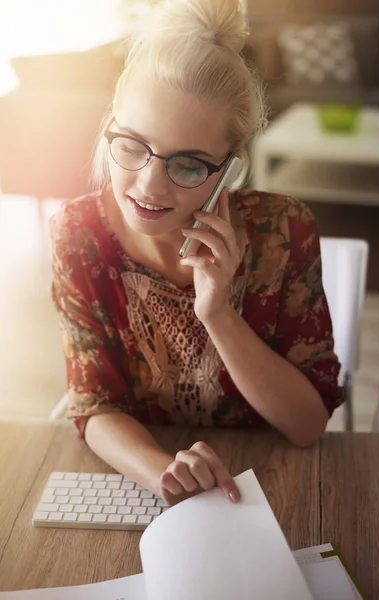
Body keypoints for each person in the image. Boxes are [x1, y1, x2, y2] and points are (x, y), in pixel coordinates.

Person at [50, 0, 343, 507]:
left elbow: (307, 426)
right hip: (150, 486)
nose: (148, 185)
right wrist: (164, 471)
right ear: (109, 130)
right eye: (133, 145)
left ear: (229, 170)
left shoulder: (285, 230)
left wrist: (218, 314)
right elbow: (94, 405)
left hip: (270, 486)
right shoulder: (78, 234)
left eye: (188, 164)